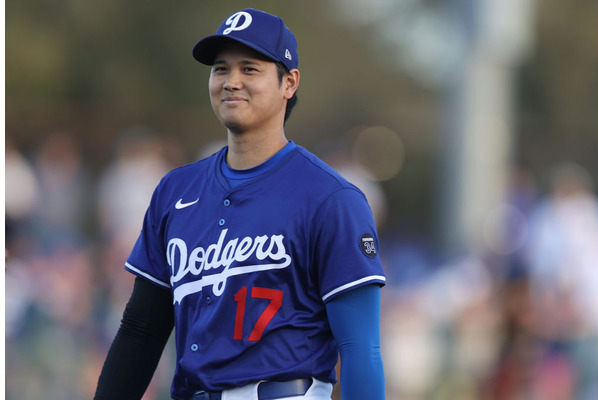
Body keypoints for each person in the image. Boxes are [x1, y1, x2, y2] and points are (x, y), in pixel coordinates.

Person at [94, 8, 386, 400]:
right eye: (220, 69)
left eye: (249, 69)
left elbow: (359, 347)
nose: (231, 82)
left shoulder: (331, 199)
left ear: (289, 83)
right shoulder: (175, 190)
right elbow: (141, 330)